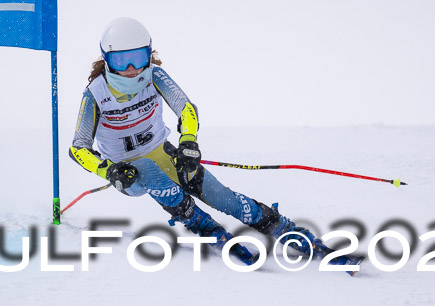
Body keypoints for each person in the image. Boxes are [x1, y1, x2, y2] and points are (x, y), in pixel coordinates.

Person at [69, 17, 363, 272]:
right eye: (122, 60)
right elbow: (78, 148)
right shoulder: (95, 95)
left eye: (138, 57)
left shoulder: (155, 76)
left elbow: (187, 109)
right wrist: (109, 171)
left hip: (164, 153)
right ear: (107, 60)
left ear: (149, 54)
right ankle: (200, 223)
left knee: (222, 197)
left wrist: (188, 145)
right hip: (129, 173)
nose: (133, 69)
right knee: (145, 167)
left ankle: (286, 229)